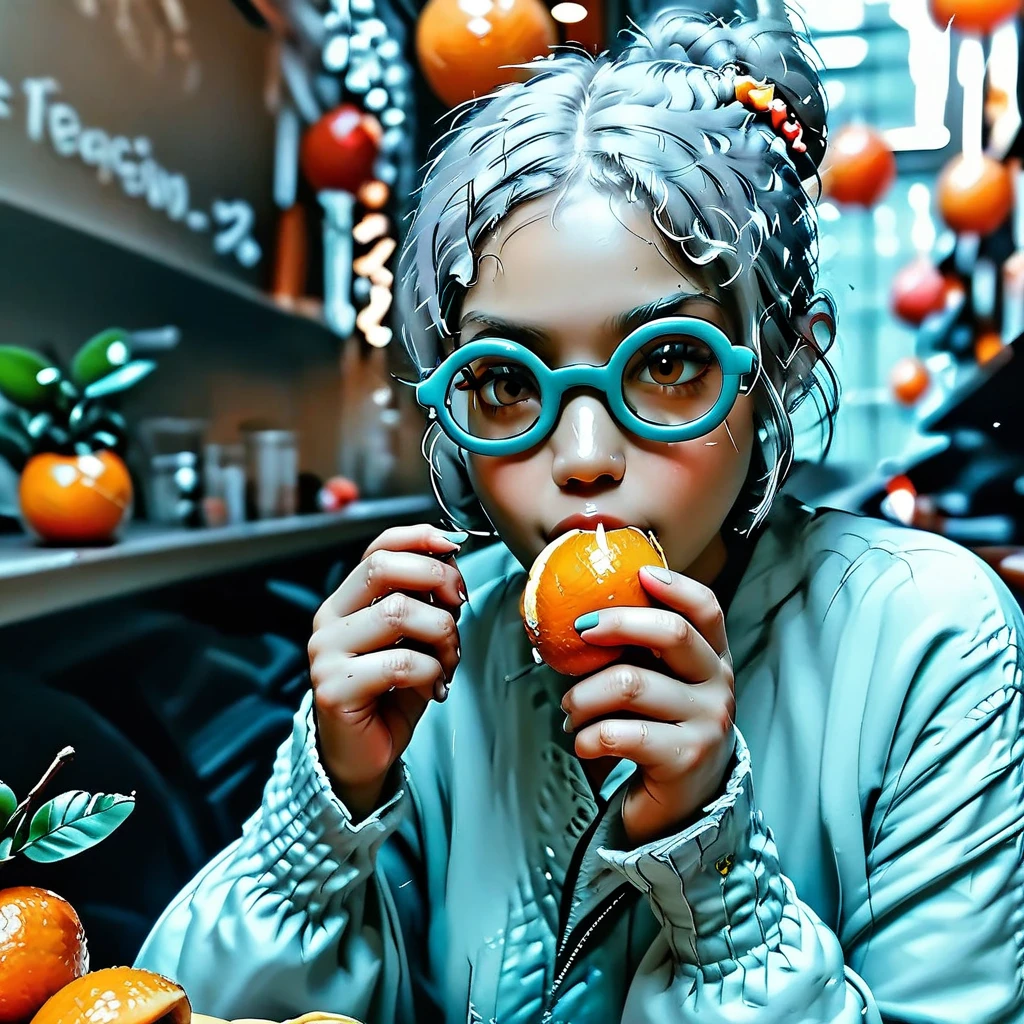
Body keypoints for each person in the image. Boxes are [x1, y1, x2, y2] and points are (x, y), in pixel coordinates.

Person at [135, 4, 1024, 1022]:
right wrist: (324, 809)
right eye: (508, 382)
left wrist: (712, 868)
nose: (586, 459)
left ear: (777, 366)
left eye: (670, 363)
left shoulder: (933, 642)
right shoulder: (438, 657)